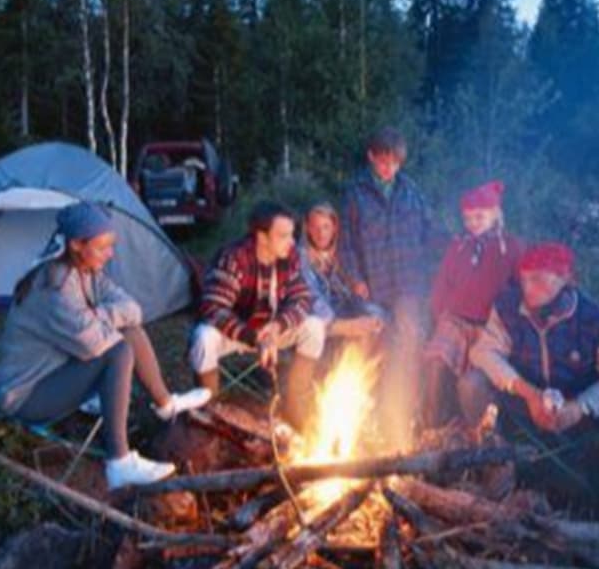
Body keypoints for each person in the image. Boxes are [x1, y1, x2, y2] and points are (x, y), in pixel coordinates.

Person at [0, 202, 211, 490]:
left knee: (129, 332)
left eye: (112, 245)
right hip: (25, 395)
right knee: (118, 352)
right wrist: (100, 318)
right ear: (76, 245)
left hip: (56, 370)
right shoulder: (53, 288)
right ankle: (119, 463)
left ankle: (166, 405)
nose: (110, 254)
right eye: (102, 247)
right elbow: (96, 344)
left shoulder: (86, 271)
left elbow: (133, 309)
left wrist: (96, 316)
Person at [460, 242, 599, 524]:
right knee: (472, 382)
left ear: (567, 279)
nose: (529, 288)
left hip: (579, 409)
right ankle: (494, 466)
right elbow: (484, 351)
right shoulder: (509, 308)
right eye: (524, 279)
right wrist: (528, 393)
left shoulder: (596, 320)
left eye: (539, 279)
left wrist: (581, 407)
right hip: (526, 403)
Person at [338, 127, 445, 444]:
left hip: (409, 286)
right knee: (369, 338)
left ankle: (403, 414)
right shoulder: (355, 194)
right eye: (383, 160)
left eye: (395, 162)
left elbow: (431, 233)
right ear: (372, 157)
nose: (389, 167)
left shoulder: (411, 192)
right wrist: (355, 278)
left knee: (410, 340)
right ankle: (361, 412)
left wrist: (456, 245)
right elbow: (345, 245)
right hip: (372, 286)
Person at [189, 201, 324, 430]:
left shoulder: (289, 257)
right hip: (236, 332)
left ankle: (295, 403)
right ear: (262, 237)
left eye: (291, 235)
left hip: (272, 332)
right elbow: (213, 307)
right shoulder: (234, 258)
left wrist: (277, 327)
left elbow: (303, 298)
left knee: (314, 327)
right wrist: (254, 337)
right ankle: (210, 410)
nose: (291, 242)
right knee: (203, 338)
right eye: (283, 236)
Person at [423, 181, 525, 428]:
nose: (473, 223)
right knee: (435, 364)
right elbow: (442, 284)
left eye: (479, 216)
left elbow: (523, 290)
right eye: (468, 218)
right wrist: (440, 314)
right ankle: (433, 427)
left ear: (495, 214)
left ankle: (478, 434)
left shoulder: (511, 247)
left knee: (471, 382)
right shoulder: (459, 245)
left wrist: (513, 325)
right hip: (455, 322)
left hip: (490, 328)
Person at [298, 202, 386, 350]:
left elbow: (355, 292)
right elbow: (312, 296)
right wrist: (340, 324)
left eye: (326, 227)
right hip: (322, 316)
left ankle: (369, 369)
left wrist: (358, 289)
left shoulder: (344, 253)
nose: (321, 233)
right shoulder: (301, 256)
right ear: (307, 229)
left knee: (377, 315)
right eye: (315, 227)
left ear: (334, 228)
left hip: (346, 310)